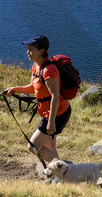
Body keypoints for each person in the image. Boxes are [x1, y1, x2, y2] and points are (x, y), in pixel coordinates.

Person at [7, 35, 71, 166]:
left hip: (57, 114)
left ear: (41, 51)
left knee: (32, 147)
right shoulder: (36, 66)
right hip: (47, 113)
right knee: (51, 149)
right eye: (27, 48)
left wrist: (51, 121)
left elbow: (55, 96)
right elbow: (33, 87)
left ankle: (65, 168)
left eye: (30, 49)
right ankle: (59, 174)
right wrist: (15, 89)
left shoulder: (49, 70)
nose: (27, 52)